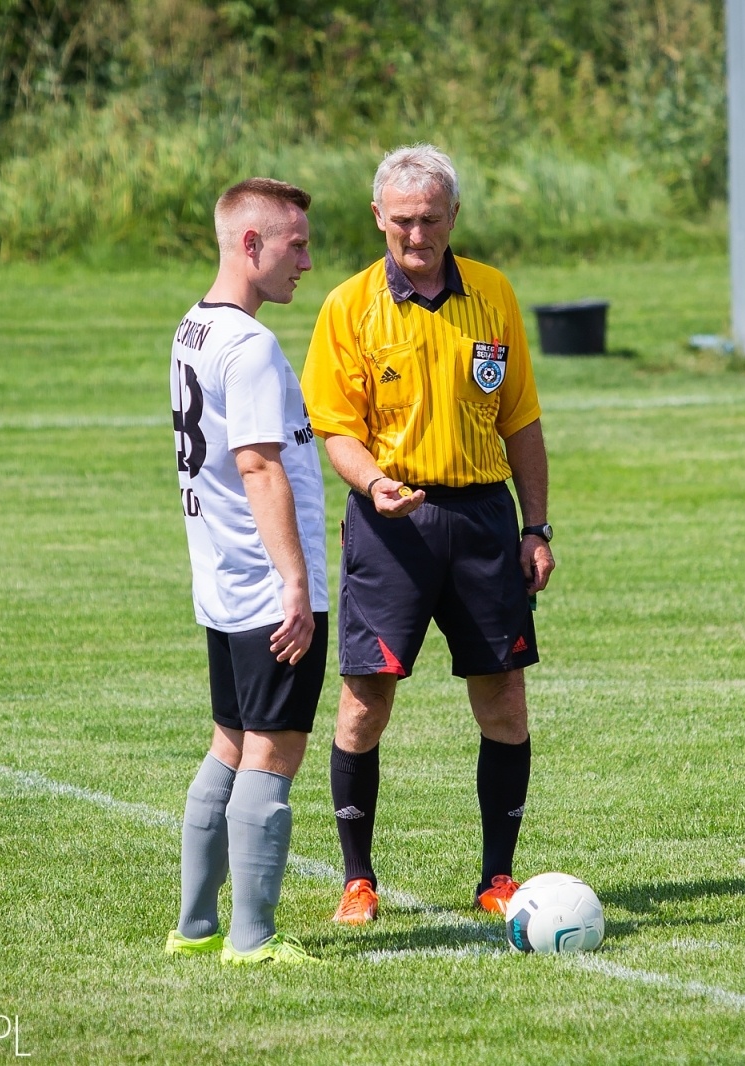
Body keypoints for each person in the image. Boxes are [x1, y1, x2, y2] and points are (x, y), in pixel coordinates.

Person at [304, 144, 554, 926]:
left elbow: (522, 421)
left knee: (504, 703)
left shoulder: (493, 294)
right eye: (403, 221)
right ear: (378, 217)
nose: (418, 236)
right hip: (390, 526)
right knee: (363, 704)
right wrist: (373, 483)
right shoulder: (348, 306)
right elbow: (334, 428)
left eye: (432, 220)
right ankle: (357, 880)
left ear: (454, 218)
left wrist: (535, 525)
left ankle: (497, 877)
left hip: (483, 520)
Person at [164, 178, 328, 966]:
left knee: (230, 741)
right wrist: (295, 586)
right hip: (268, 589)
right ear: (250, 245)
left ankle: (194, 927)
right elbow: (260, 467)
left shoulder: (193, 328)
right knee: (274, 749)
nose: (308, 257)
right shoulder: (253, 346)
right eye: (295, 243)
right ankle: (252, 938)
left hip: (221, 582)